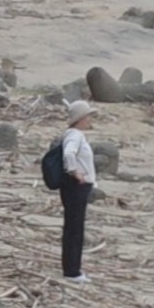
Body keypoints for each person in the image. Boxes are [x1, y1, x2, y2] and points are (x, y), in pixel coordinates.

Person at [57, 102, 99, 282]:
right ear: (80, 118)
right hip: (76, 186)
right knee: (75, 228)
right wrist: (75, 172)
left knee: (74, 226)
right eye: (88, 116)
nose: (90, 120)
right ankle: (72, 271)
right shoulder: (75, 135)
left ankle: (72, 268)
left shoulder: (74, 135)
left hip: (77, 186)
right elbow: (69, 153)